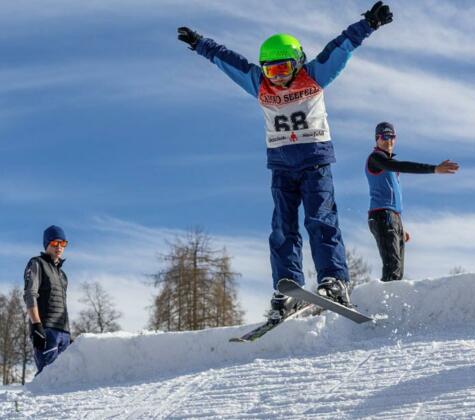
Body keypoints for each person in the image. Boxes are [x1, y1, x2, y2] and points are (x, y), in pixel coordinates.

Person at [177, 2, 393, 321]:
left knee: (320, 220)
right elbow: (229, 61)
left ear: (297, 63)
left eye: (282, 69)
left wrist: (369, 24)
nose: (276, 78)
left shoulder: (314, 76)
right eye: (270, 70)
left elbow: (341, 47)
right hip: (281, 168)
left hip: (314, 164)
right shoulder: (259, 84)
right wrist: (199, 43)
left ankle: (334, 280)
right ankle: (288, 286)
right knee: (282, 228)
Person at [366, 121, 459, 282]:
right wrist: (434, 169)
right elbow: (402, 166)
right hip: (382, 215)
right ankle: (382, 299)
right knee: (392, 269)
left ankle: (390, 297)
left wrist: (399, 226)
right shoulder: (376, 158)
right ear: (377, 139)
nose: (389, 141)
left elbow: (393, 195)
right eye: (385, 137)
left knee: (398, 272)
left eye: (392, 137)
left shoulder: (389, 165)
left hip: (393, 217)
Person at [23, 225, 71, 374]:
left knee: (65, 379)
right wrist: (36, 325)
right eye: (55, 242)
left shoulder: (63, 275)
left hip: (64, 333)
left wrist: (68, 332)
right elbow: (30, 294)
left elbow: (62, 305)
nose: (59, 247)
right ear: (47, 244)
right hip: (46, 330)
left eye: (63, 243)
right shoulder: (37, 263)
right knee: (47, 377)